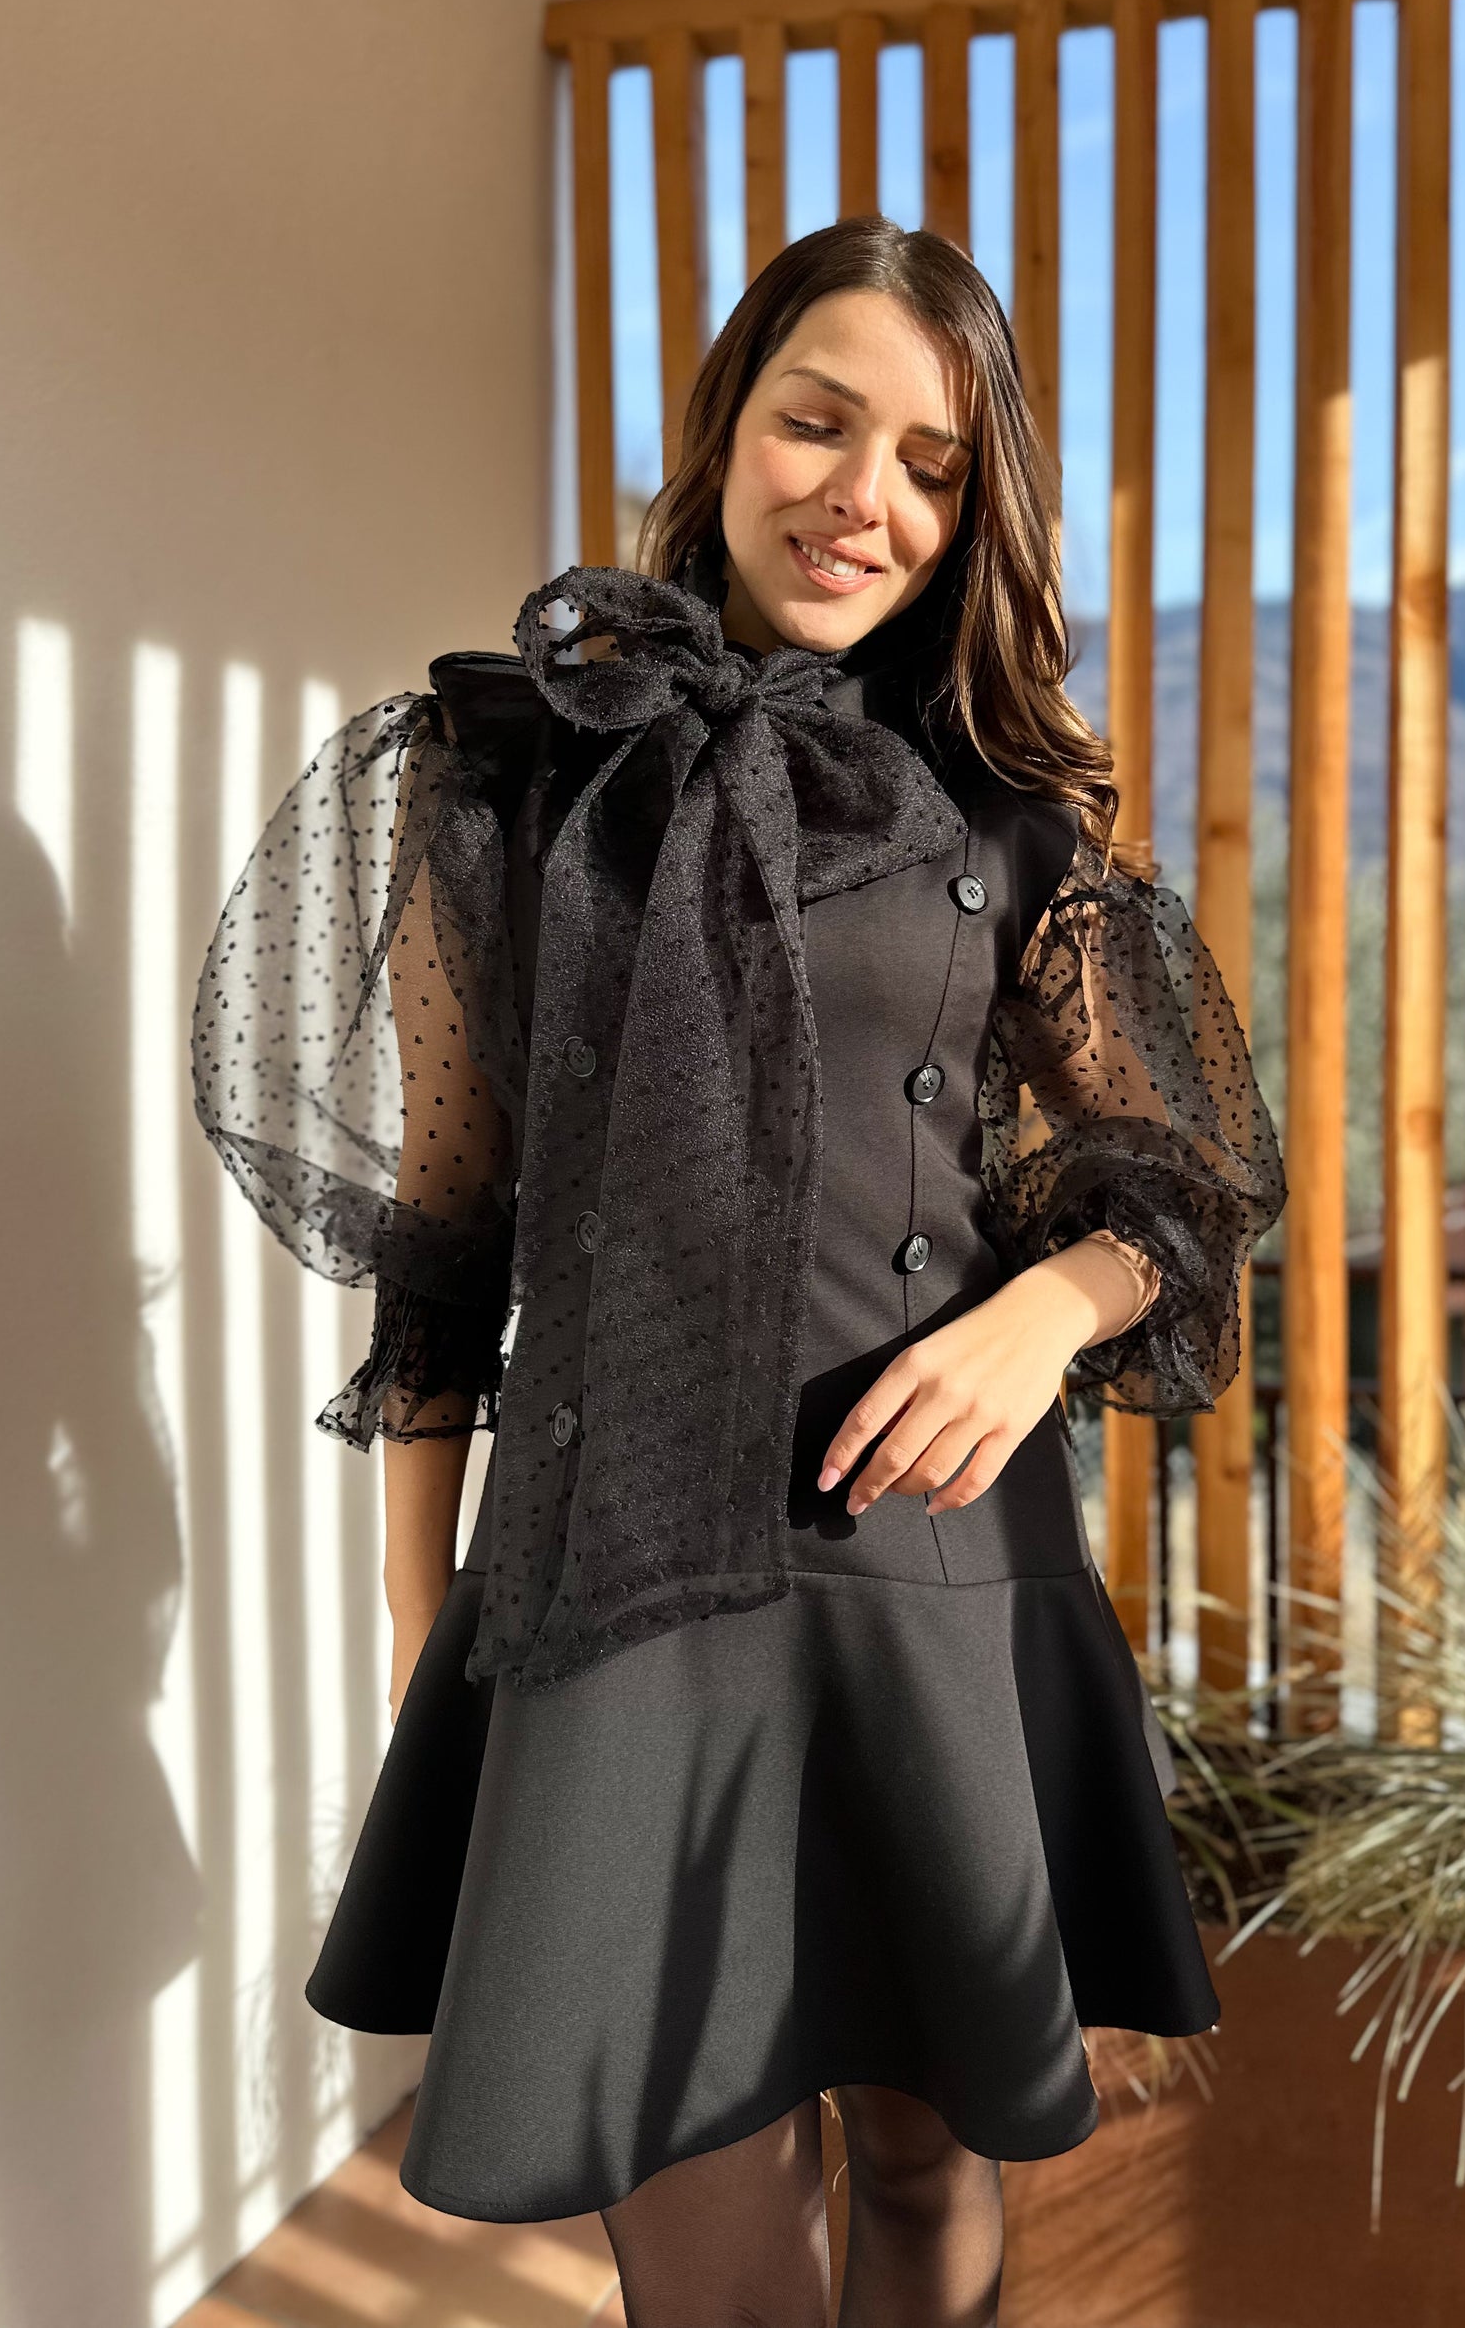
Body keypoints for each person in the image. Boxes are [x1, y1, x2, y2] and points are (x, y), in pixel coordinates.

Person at [194, 213, 1285, 2327]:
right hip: (614, 1574)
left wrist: (1041, 1311)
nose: (863, 495)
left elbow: (1182, 1171)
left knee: (925, 2152)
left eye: (929, 463)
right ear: (723, 426)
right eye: (817, 422)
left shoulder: (1010, 820)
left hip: (925, 1549)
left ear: (971, 512)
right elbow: (448, 1223)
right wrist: (429, 1598)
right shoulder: (507, 765)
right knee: (698, 2203)